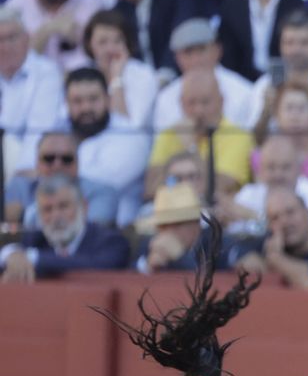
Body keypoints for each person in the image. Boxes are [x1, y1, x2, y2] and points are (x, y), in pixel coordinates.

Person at [0, 175, 130, 281]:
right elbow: (14, 257)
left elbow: (95, 266)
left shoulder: (111, 241)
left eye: (63, 206)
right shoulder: (35, 239)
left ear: (84, 207)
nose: (56, 216)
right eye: (47, 209)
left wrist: (32, 257)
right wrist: (11, 254)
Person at [146, 70, 253, 198]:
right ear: (181, 104)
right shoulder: (169, 134)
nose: (199, 111)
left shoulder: (237, 136)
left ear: (221, 101)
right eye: (192, 103)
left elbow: (219, 187)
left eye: (205, 102)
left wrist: (191, 149)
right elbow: (150, 189)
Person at [64, 64, 148, 223]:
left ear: (108, 99)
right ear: (66, 104)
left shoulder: (130, 135)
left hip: (114, 229)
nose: (86, 107)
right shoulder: (58, 131)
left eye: (93, 99)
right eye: (77, 101)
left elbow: (97, 185)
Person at [229, 186, 308, 287]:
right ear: (269, 226)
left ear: (307, 212)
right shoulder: (268, 243)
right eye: (275, 218)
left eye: (290, 212)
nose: (284, 222)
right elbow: (230, 249)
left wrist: (276, 259)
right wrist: (242, 257)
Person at [150, 17, 255, 128]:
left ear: (217, 50)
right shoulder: (165, 99)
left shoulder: (243, 92)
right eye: (188, 52)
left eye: (201, 50)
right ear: (177, 58)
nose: (196, 60)